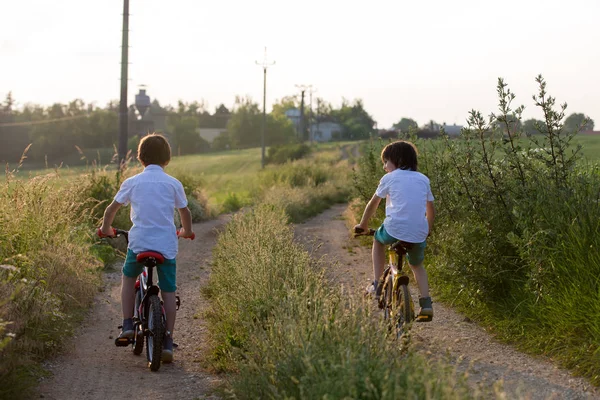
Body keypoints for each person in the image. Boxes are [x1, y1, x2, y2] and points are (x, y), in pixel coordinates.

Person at [99, 133, 194, 362]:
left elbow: (111, 209)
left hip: (139, 243)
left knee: (128, 277)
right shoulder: (173, 183)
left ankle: (129, 323)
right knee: (168, 290)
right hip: (165, 244)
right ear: (167, 159)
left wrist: (105, 229)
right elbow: (185, 213)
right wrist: (186, 231)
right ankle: (168, 340)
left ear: (140, 158)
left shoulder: (132, 182)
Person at [354, 140, 435, 319]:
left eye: (385, 162)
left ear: (397, 160)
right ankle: (426, 303)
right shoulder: (423, 179)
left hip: (394, 228)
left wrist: (363, 225)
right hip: (419, 232)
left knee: (377, 240)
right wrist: (427, 230)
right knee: (417, 265)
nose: (384, 167)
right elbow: (430, 209)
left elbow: (373, 203)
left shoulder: (389, 178)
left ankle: (376, 284)